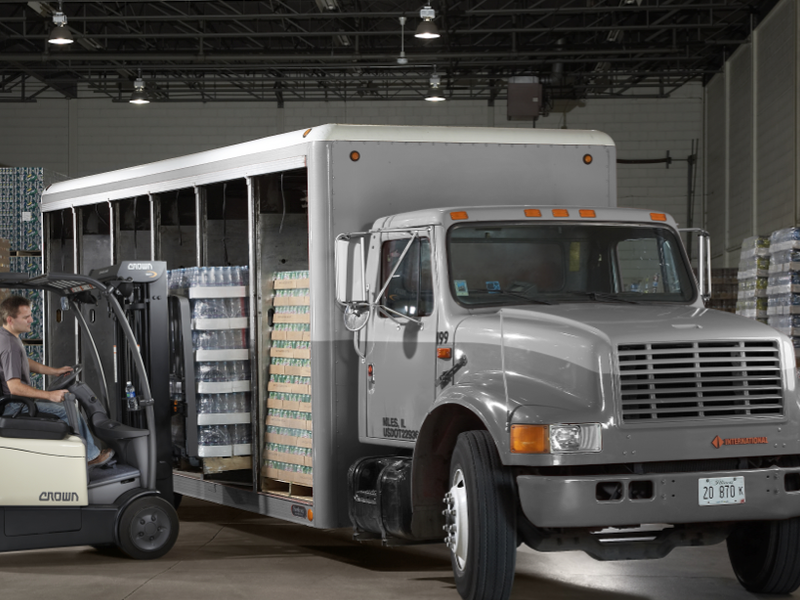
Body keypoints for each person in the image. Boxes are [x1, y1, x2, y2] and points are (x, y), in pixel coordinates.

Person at [0, 295, 114, 467]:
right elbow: (14, 387)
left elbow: (25, 362)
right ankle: (91, 457)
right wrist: (49, 395)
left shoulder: (8, 336)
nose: (31, 320)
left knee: (64, 406)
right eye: (26, 317)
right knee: (69, 411)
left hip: (13, 404)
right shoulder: (9, 345)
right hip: (14, 406)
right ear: (10, 319)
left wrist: (55, 371)